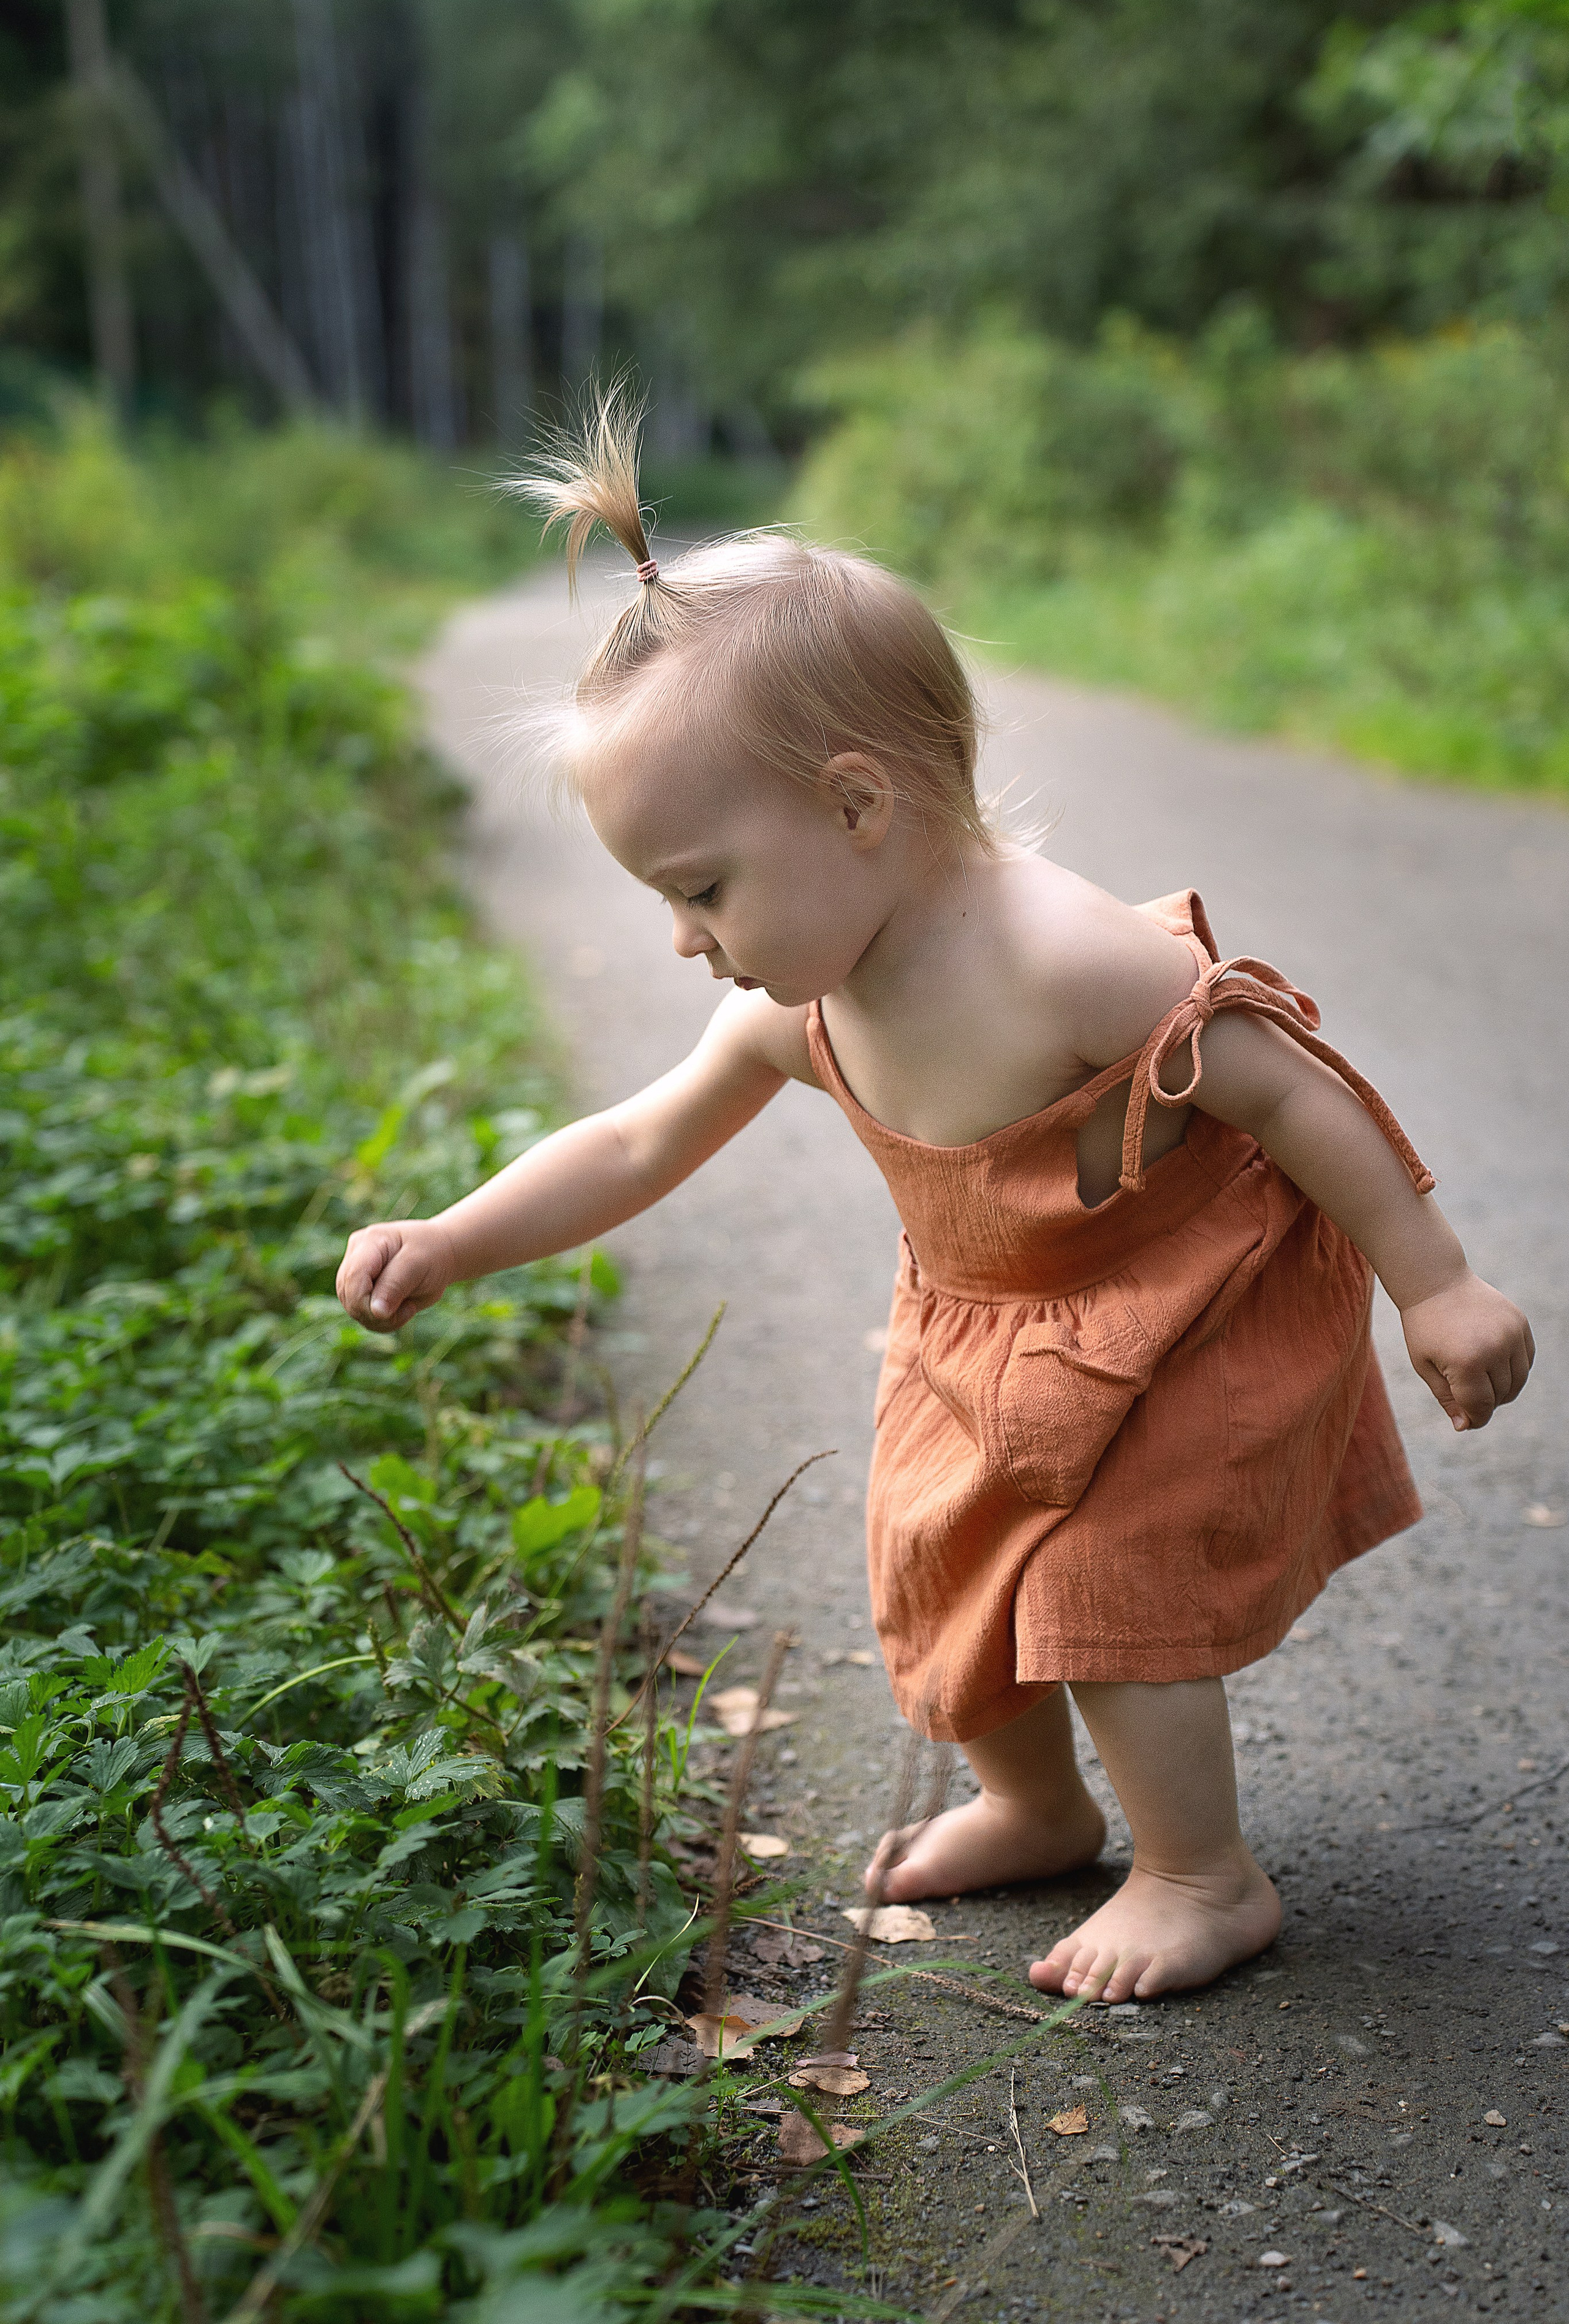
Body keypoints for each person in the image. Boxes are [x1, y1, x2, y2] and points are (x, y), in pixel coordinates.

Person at [335, 395, 1533, 2004]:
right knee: (945, 1579)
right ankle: (1034, 1807)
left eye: (702, 887)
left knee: (1106, 1604)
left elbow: (1280, 1082)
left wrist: (1434, 1280)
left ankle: (1201, 1875)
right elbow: (635, 1141)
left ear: (854, 806)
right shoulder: (796, 1000)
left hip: (1165, 1327)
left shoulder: (1069, 959)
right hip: (972, 1342)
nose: (688, 939)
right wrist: (458, 1235)